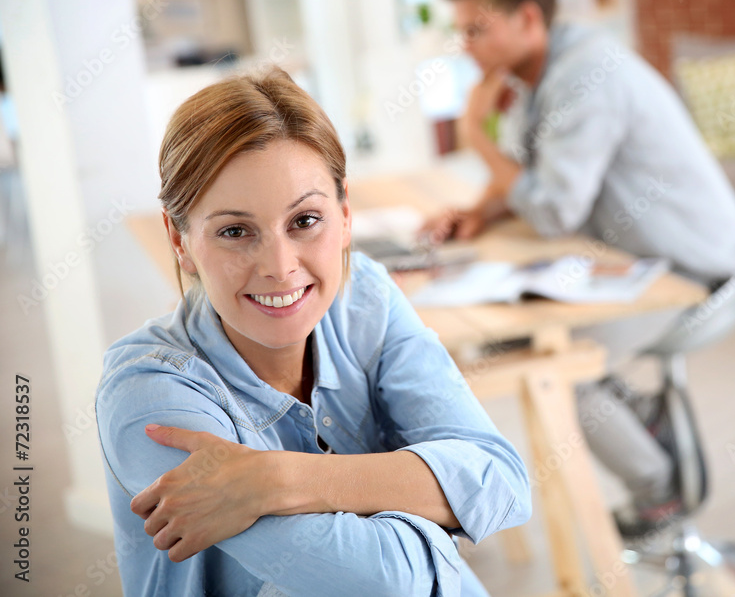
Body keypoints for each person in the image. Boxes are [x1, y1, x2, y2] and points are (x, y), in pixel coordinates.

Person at [95, 67, 531, 596]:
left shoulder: (363, 297)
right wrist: (434, 506)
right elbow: (382, 583)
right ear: (179, 240)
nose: (280, 267)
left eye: (304, 221)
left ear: (344, 215)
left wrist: (278, 479)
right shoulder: (149, 399)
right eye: (235, 231)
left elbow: (503, 481)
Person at [423, 0, 735, 536]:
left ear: (528, 18)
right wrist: (481, 212)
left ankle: (661, 493)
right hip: (632, 259)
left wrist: (476, 136)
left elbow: (554, 210)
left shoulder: (585, 76)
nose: (465, 46)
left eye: (475, 29)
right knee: (513, 337)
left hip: (690, 268)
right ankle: (643, 417)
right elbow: (536, 176)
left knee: (556, 366)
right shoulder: (538, 73)